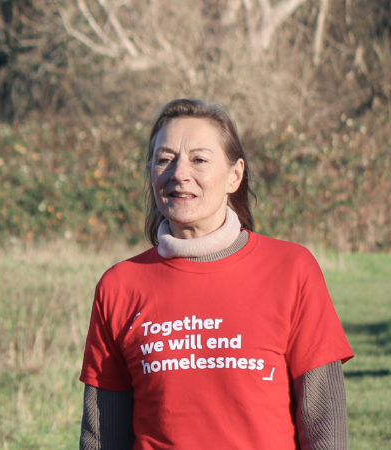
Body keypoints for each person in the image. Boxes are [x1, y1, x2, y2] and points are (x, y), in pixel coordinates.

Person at [78, 99, 354, 449]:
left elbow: (324, 419)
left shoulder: (292, 269)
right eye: (164, 159)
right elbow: (101, 435)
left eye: (199, 159)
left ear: (235, 175)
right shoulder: (120, 285)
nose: (179, 173)